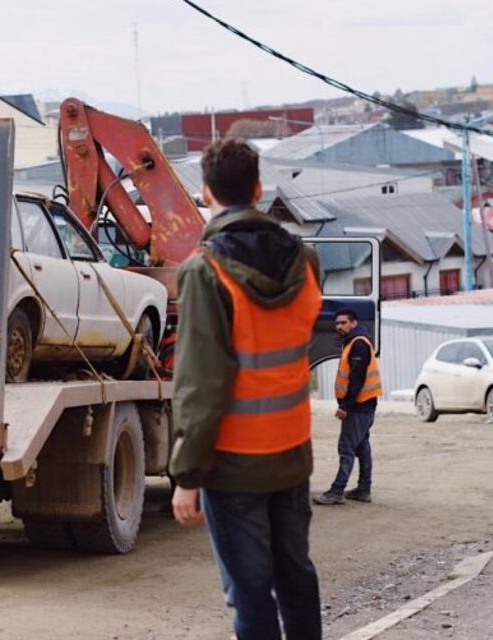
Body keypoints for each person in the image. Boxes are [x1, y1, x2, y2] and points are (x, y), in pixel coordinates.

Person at [170, 138, 323, 640]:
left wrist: (186, 474)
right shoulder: (304, 261)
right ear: (258, 188)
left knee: (250, 592)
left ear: (205, 193)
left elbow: (201, 383)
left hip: (235, 464)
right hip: (292, 451)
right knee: (295, 577)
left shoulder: (204, 271)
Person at [313, 308, 382, 505]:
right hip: (366, 405)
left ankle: (336, 491)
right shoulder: (354, 342)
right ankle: (363, 489)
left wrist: (346, 406)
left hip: (359, 406)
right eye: (337, 324)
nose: (339, 327)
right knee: (361, 447)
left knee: (347, 447)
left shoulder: (358, 344)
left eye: (343, 323)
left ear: (353, 323)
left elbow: (356, 379)